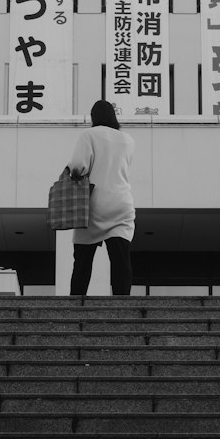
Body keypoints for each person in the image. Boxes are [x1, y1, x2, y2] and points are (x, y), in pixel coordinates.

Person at [68, 100, 134, 296]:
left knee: (83, 259)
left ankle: (76, 304)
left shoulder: (89, 135)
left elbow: (78, 166)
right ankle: (123, 305)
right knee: (121, 258)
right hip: (121, 202)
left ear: (93, 117)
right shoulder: (128, 139)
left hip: (93, 204)